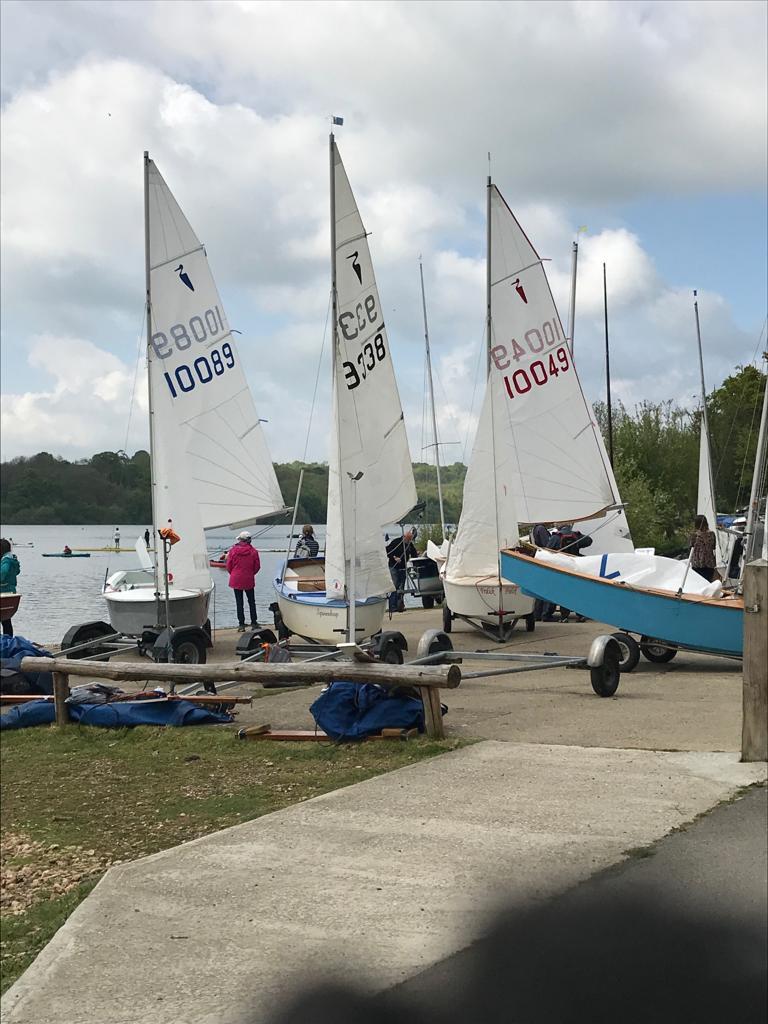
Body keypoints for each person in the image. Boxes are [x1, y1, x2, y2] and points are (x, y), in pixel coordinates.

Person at [226, 531, 261, 632]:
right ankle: (254, 622)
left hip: (236, 578)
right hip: (248, 578)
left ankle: (241, 625)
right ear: (249, 540)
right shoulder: (254, 551)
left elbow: (228, 566)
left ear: (240, 540)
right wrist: (250, 573)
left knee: (239, 602)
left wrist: (233, 574)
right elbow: (257, 566)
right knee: (251, 602)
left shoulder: (232, 551)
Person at [386, 529, 418, 613]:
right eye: (408, 540)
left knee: (402, 586)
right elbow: (387, 550)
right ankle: (392, 606)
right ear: (404, 537)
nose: (409, 541)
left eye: (410, 540)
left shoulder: (409, 544)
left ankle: (400, 605)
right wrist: (394, 557)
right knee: (395, 585)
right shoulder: (396, 542)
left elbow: (414, 554)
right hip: (394, 566)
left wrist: (414, 554)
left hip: (403, 567)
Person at [0, 538, 21, 637]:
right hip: (11, 592)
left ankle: (5, 641)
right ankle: (8, 640)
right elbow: (17, 572)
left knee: (5, 620)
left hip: (3, 591)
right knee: (6, 620)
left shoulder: (6, 561)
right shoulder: (12, 559)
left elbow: (3, 573)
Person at [690, 514, 717, 582]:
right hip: (709, 563)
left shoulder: (694, 535)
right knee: (708, 582)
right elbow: (713, 547)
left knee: (698, 583)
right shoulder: (712, 534)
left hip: (697, 563)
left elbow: (690, 546)